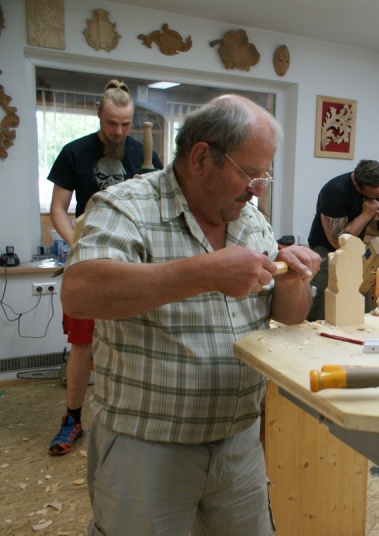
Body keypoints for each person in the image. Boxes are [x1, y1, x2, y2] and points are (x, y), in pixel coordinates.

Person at [60, 94, 320, 535]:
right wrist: (204, 272)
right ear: (201, 157)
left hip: (239, 441)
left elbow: (288, 317)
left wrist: (294, 282)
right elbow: (80, 294)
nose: (258, 189)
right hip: (147, 446)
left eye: (264, 175)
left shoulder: (250, 220)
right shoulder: (127, 206)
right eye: (250, 173)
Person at [47, 79, 164, 456]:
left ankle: (136, 418)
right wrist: (80, 246)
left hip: (132, 264)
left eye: (126, 124)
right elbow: (58, 209)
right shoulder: (75, 152)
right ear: (99, 114)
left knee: (137, 338)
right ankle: (72, 419)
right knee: (82, 344)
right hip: (89, 262)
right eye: (112, 123)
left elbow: (160, 207)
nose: (119, 131)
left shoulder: (144, 154)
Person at [306, 159, 379, 321]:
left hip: (355, 248)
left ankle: (360, 330)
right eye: (375, 194)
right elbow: (337, 242)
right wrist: (366, 214)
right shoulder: (334, 191)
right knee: (323, 296)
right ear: (358, 186)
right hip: (325, 249)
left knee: (360, 291)